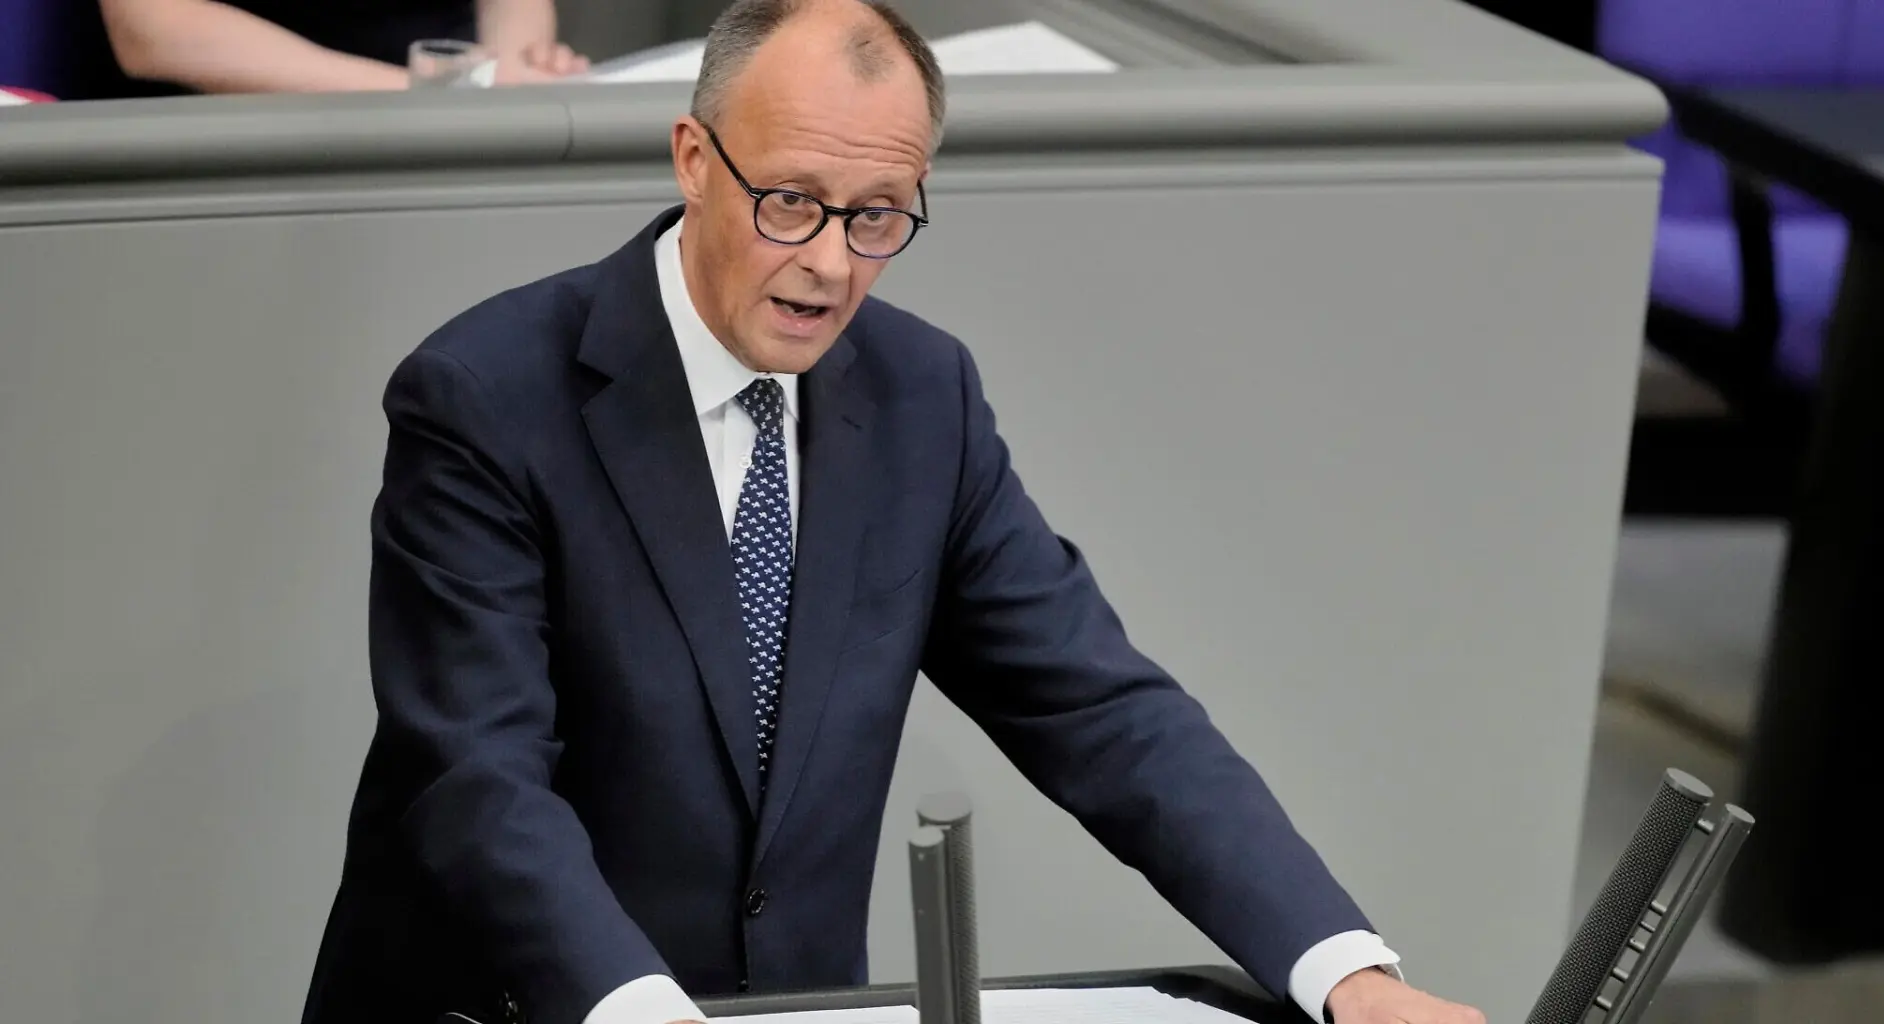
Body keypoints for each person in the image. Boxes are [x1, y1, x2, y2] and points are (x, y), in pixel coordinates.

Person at [301, 1, 1489, 1022]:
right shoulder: (486, 395)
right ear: (694, 160)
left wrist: (1344, 969)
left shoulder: (924, 397)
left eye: (877, 215)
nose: (830, 263)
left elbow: (1099, 707)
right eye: (791, 202)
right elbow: (479, 779)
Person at [95, 0, 587, 94]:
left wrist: (517, 72)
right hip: (223, 145)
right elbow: (154, 29)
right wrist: (450, 91)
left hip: (452, 137)